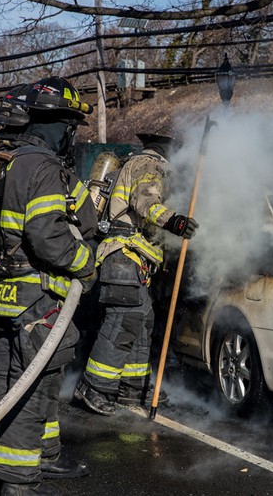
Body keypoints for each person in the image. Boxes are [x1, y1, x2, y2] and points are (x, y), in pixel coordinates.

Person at [0, 77, 97, 496]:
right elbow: (46, 235)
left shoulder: (5, 159)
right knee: (31, 392)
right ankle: (17, 481)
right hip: (32, 299)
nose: (72, 134)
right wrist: (85, 263)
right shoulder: (43, 167)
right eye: (70, 124)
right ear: (54, 123)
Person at [74, 132, 198, 415]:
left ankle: (132, 388)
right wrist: (176, 222)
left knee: (141, 320)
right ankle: (93, 387)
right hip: (123, 255)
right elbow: (146, 203)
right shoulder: (149, 165)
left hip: (132, 259)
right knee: (123, 322)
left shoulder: (134, 164)